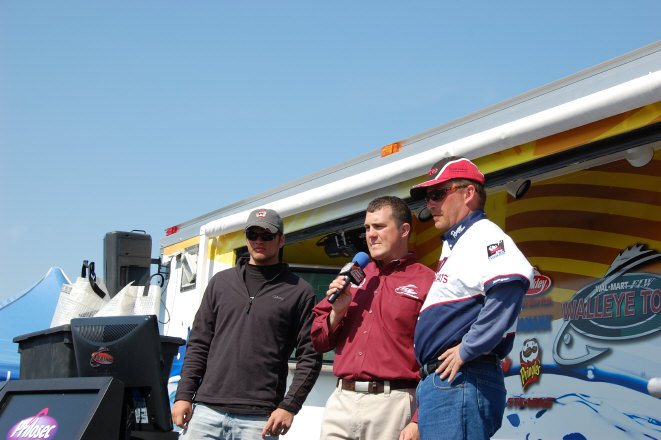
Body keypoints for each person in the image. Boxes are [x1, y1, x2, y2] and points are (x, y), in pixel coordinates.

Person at [409, 157, 534, 440]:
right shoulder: (458, 241)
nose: (430, 204)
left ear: (468, 193)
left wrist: (468, 348)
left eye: (438, 194)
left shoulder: (482, 234)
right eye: (428, 197)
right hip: (449, 382)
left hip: (462, 378)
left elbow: (511, 284)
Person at [171, 208, 322, 439]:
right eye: (253, 234)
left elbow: (310, 356)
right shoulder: (221, 283)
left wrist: (290, 406)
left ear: (281, 240)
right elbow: (199, 343)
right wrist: (183, 395)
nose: (259, 241)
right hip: (206, 413)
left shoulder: (300, 292)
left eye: (267, 235)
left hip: (259, 420)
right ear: (246, 237)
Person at [311, 196, 435, 440]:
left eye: (379, 226)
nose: (371, 235)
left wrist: (419, 418)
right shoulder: (353, 274)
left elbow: (438, 357)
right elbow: (318, 341)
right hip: (341, 401)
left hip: (394, 403)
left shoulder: (427, 281)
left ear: (404, 230)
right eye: (367, 228)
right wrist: (337, 312)